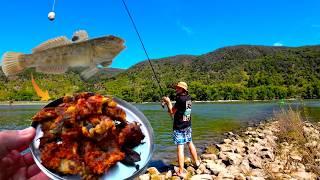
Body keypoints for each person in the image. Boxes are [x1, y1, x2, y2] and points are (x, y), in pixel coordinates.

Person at [162, 82, 200, 178]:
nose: (176, 89)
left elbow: (171, 112)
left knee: (180, 147)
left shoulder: (179, 100)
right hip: (187, 125)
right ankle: (197, 162)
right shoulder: (189, 98)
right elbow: (186, 113)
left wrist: (168, 102)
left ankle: (181, 170)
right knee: (190, 142)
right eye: (177, 88)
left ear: (183, 89)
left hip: (179, 127)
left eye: (178, 88)